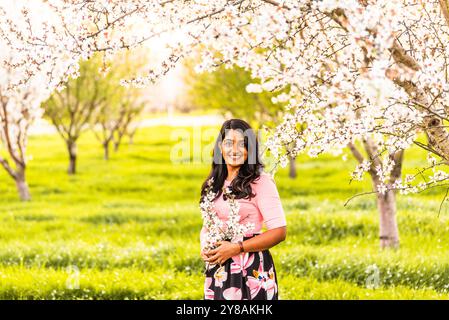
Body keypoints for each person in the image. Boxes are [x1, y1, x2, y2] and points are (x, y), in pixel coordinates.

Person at [200, 118, 287, 300]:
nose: (235, 150)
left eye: (242, 144)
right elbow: (207, 225)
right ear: (220, 147)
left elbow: (279, 232)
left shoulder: (261, 182)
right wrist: (205, 245)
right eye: (229, 143)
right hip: (219, 269)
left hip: (251, 268)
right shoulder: (213, 184)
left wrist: (237, 248)